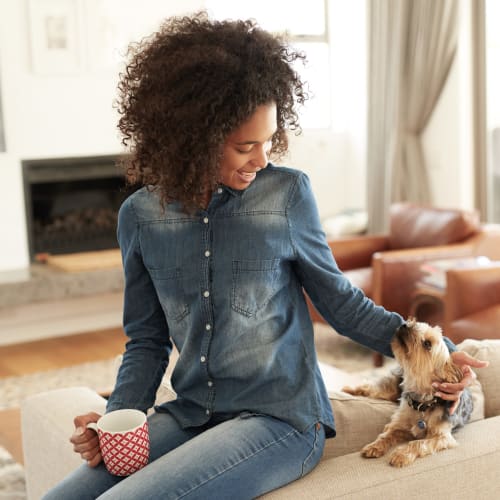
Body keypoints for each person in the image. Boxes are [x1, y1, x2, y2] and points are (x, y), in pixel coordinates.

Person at [43, 12, 487, 500]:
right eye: (244, 146)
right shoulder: (140, 217)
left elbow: (339, 301)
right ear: (191, 141)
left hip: (282, 419)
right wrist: (116, 420)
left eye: (269, 139)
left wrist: (437, 356)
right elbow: (147, 340)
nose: (262, 158)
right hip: (192, 411)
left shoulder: (288, 195)